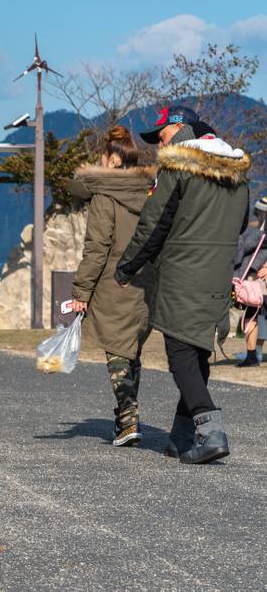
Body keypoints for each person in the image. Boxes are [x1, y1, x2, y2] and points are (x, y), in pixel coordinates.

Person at [115, 105, 251, 465]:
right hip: (218, 274)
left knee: (179, 355)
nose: (158, 146)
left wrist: (126, 267)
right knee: (197, 353)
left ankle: (212, 429)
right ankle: (181, 436)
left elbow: (153, 224)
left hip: (183, 274)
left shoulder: (178, 167)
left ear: (179, 129)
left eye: (160, 137)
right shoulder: (237, 173)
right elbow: (240, 226)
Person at [68, 126, 155, 447]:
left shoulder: (105, 196)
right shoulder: (151, 192)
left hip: (112, 279)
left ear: (113, 159)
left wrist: (81, 291)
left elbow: (97, 247)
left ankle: (128, 419)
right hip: (146, 280)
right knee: (131, 349)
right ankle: (126, 418)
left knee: (117, 351)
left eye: (102, 157)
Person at [232, 196, 267, 367]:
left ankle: (253, 355)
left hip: (256, 281)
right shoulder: (259, 230)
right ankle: (255, 353)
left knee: (252, 315)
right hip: (258, 280)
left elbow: (242, 250)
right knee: (258, 316)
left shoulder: (257, 233)